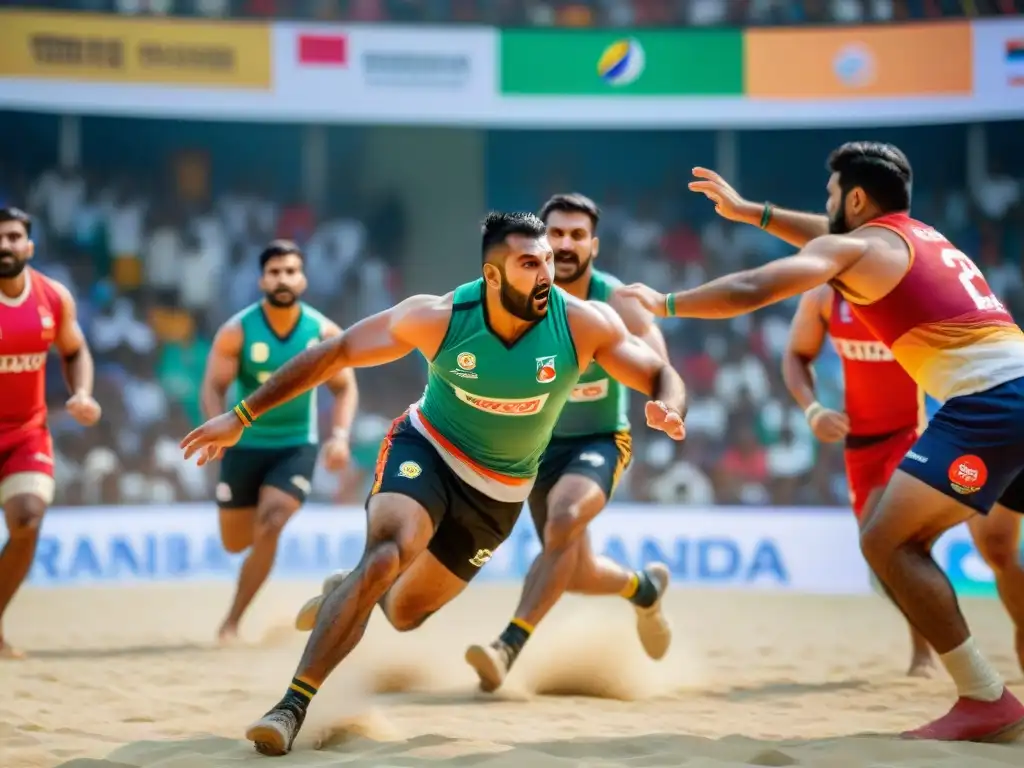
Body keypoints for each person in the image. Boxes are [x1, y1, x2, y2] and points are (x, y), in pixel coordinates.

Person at [181, 212, 686, 755]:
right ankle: (291, 706)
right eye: (529, 263)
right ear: (493, 276)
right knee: (385, 557)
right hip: (428, 449)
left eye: (546, 262)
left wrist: (669, 404)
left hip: (499, 493)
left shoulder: (584, 322)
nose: (546, 274)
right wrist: (242, 415)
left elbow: (656, 371)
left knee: (402, 612)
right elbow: (337, 352)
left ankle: (349, 594)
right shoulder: (440, 316)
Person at [620, 142, 1024, 742]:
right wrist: (753, 213)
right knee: (996, 545)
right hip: (1015, 388)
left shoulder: (858, 247)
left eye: (833, 195)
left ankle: (984, 697)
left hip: (988, 407)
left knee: (886, 540)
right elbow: (830, 236)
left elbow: (755, 286)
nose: (826, 207)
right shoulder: (920, 238)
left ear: (856, 198)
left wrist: (666, 301)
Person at [461, 193, 673, 692]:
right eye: (556, 234)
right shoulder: (515, 298)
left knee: (563, 519)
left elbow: (657, 360)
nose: (566, 243)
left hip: (599, 440)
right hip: (531, 448)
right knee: (575, 571)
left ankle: (506, 646)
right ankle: (644, 589)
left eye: (578, 235)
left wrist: (666, 403)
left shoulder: (615, 301)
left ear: (594, 245)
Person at [784, 282, 1024, 677]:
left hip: (914, 433)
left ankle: (931, 657)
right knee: (882, 552)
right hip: (859, 443)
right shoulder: (823, 297)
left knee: (919, 543)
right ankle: (935, 653)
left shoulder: (906, 287)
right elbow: (795, 354)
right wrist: (812, 410)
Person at [200, 240, 357, 644]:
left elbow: (344, 388)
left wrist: (338, 436)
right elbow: (214, 387)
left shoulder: (322, 332)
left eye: (290, 271)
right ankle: (250, 564)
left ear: (302, 279)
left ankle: (231, 622)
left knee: (271, 524)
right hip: (243, 446)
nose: (283, 278)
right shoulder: (236, 331)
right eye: (274, 272)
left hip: (295, 445)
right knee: (236, 543)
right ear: (261, 280)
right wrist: (215, 429)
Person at [0, 207, 101, 658]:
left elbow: (75, 349)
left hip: (26, 434)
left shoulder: (53, 297)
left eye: (13, 237)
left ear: (28, 246)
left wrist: (81, 392)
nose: (4, 245)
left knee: (27, 519)